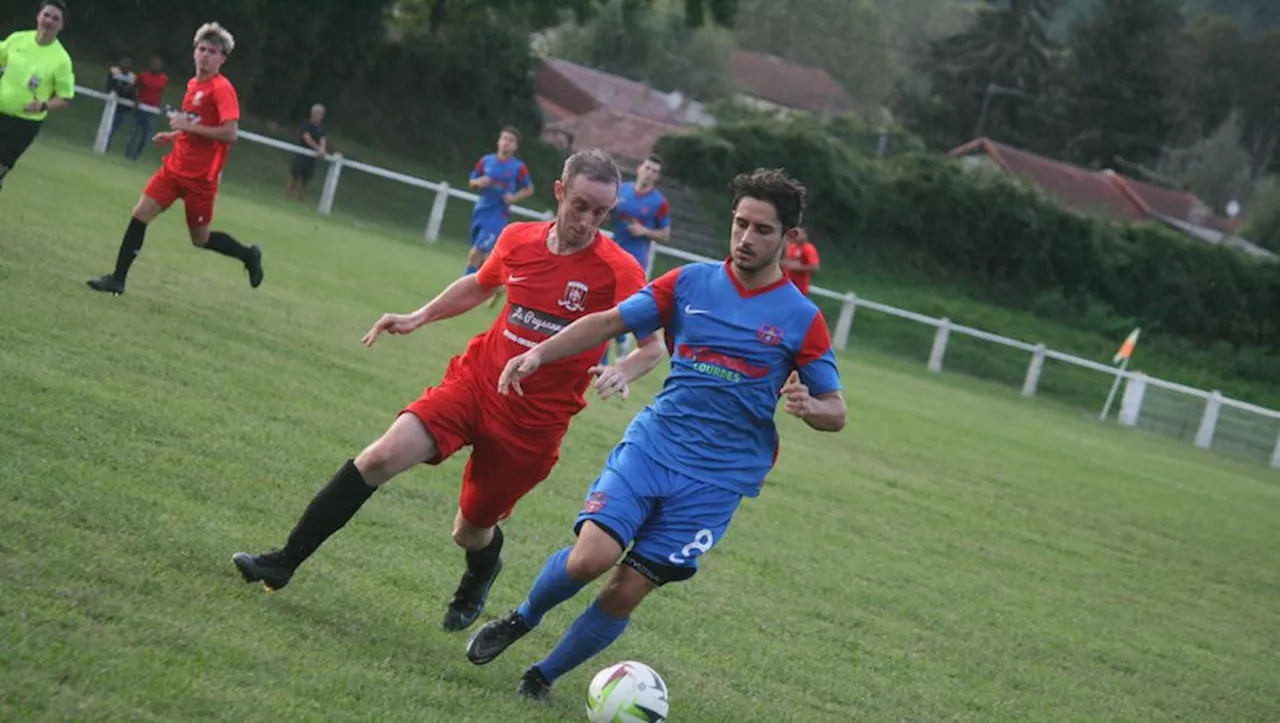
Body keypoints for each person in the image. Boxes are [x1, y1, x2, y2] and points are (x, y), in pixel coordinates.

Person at [230, 149, 665, 634]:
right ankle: (283, 561)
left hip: (532, 425)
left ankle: (481, 571)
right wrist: (419, 316)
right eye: (580, 206)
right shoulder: (518, 239)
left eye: (601, 213)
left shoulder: (619, 270)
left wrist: (624, 368)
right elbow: (480, 286)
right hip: (475, 383)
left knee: (471, 529)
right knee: (379, 457)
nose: (588, 221)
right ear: (559, 193)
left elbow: (652, 346)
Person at [466, 168, 848, 702]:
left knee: (626, 590)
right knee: (589, 558)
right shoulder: (688, 283)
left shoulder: (801, 318)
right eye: (740, 224)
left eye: (762, 230)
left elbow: (837, 410)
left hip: (717, 481)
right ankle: (522, 618)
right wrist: (537, 353)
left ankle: (542, 676)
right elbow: (606, 323)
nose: (746, 238)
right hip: (654, 447)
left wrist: (811, 408)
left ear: (788, 237)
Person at [87, 22, 263, 296]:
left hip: (201, 180)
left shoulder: (222, 89)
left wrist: (187, 127)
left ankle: (248, 254)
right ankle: (117, 279)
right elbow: (196, 125)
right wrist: (174, 136)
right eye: (201, 49)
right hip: (174, 168)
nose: (205, 55)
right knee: (140, 214)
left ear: (222, 58)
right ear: (194, 52)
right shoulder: (194, 84)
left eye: (212, 51)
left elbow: (230, 133)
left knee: (200, 239)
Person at [0, 1, 74, 193]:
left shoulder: (61, 60)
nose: (49, 21)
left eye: (55, 18)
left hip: (23, 124)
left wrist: (42, 106)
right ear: (38, 16)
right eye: (46, 15)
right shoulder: (17, 39)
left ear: (61, 25)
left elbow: (65, 98)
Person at [603, 155, 671, 363]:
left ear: (657, 176)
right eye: (647, 168)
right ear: (640, 168)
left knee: (622, 304)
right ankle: (604, 357)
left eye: (654, 171)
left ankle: (623, 337)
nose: (649, 173)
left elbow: (665, 234)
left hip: (636, 258)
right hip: (613, 251)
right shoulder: (622, 190)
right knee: (603, 303)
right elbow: (608, 215)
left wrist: (644, 231)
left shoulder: (659, 203)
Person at [465, 127, 533, 278]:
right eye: (504, 139)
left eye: (511, 140)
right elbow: (471, 181)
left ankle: (464, 285)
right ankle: (497, 283)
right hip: (480, 211)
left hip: (498, 215)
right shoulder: (486, 161)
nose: (506, 143)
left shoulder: (518, 167)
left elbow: (529, 189)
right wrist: (478, 182)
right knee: (480, 255)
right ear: (498, 141)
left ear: (515, 146)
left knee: (476, 251)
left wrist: (513, 198)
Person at [124, 56, 169, 162]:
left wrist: (161, 105)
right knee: (133, 133)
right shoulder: (143, 76)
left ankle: (135, 156)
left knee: (145, 137)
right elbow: (134, 88)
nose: (155, 66)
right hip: (141, 108)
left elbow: (161, 93)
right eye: (154, 64)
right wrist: (136, 99)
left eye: (158, 64)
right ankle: (128, 154)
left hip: (152, 111)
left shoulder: (164, 79)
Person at [286, 103, 326, 201]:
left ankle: (300, 199)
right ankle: (287, 196)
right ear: (313, 113)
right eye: (318, 113)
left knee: (306, 180)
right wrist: (317, 148)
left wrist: (322, 149)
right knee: (294, 176)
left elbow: (323, 139)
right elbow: (307, 137)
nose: (320, 116)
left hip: (312, 158)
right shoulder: (306, 124)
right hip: (301, 155)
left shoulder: (321, 128)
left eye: (322, 114)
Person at [104, 55, 137, 151]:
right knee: (107, 125)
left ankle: (107, 145)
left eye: (128, 62)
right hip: (111, 104)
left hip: (122, 107)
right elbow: (109, 86)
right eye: (124, 61)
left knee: (114, 127)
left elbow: (133, 93)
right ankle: (104, 144)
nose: (126, 64)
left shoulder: (132, 77)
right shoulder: (114, 72)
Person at [782, 226, 821, 296]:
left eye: (798, 233)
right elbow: (788, 262)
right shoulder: (791, 246)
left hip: (799, 288)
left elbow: (815, 267)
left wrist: (796, 267)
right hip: (786, 284)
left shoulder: (808, 249)